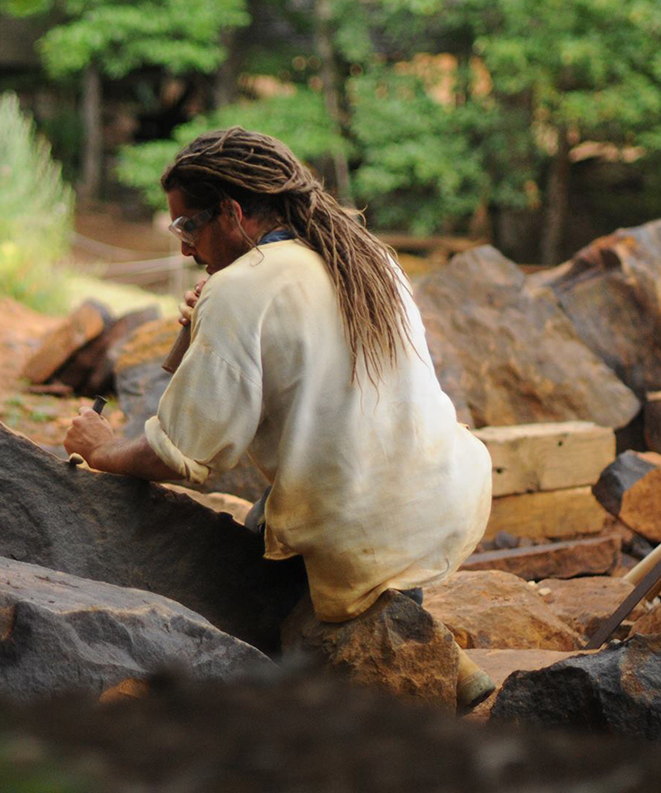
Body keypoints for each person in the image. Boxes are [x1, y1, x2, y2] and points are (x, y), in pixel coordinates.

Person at [64, 127, 494, 706]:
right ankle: (448, 665)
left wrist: (100, 449)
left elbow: (185, 454)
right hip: (446, 489)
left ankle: (394, 667)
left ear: (234, 212)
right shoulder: (364, 258)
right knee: (265, 523)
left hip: (367, 520)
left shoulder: (243, 287)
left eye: (188, 225)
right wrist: (209, 318)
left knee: (245, 580)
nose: (185, 248)